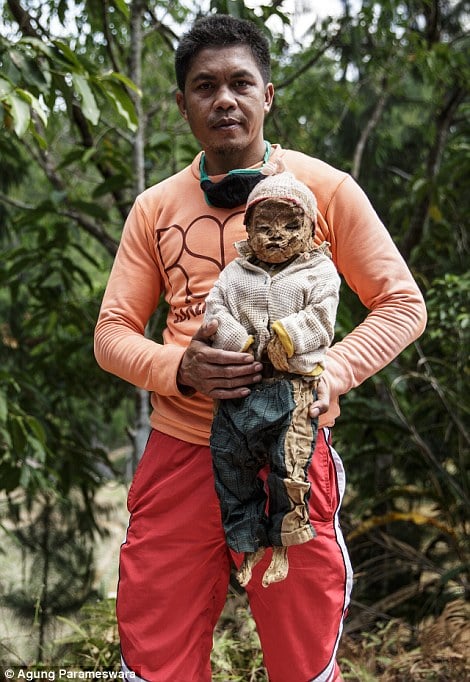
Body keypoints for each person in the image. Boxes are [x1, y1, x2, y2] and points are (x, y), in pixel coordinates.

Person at [94, 13, 427, 682]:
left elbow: (402, 304)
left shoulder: (325, 190)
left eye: (241, 83)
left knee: (303, 656)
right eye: (204, 85)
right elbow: (111, 333)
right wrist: (179, 368)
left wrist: (330, 370)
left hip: (291, 453)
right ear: (183, 102)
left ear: (268, 95)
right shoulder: (155, 208)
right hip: (181, 452)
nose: (225, 99)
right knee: (156, 656)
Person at [205, 170, 341, 589]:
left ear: (310, 229)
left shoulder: (319, 272)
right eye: (264, 227)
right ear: (247, 228)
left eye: (289, 226)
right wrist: (238, 342)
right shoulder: (234, 273)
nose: (276, 236)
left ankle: (283, 542)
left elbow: (322, 318)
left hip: (292, 388)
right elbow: (215, 311)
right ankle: (247, 544)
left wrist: (287, 337)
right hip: (239, 389)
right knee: (230, 462)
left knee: (289, 467)